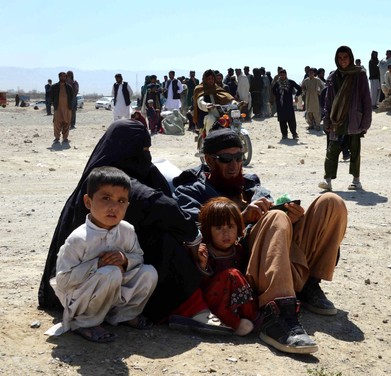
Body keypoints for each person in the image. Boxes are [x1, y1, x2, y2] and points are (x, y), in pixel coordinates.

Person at [38, 119, 230, 335]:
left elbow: (166, 203)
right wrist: (192, 237)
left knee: (152, 262)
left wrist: (188, 237)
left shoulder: (145, 174)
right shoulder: (104, 180)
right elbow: (158, 204)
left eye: (148, 149)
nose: (145, 155)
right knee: (164, 241)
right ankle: (189, 307)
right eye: (141, 149)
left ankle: (123, 314)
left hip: (118, 269)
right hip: (85, 280)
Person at [173, 128, 348, 354]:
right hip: (244, 269)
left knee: (330, 203)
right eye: (225, 159)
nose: (234, 165)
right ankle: (278, 315)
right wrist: (242, 218)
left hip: (279, 261)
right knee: (275, 217)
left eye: (239, 157)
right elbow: (193, 234)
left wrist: (294, 219)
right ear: (208, 160)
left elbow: (277, 231)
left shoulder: (251, 186)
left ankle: (309, 287)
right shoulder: (191, 189)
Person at [46, 166, 158, 342]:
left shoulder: (127, 231)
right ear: (88, 202)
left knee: (149, 272)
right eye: (106, 198)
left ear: (127, 205)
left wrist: (124, 259)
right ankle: (86, 322)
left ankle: (123, 314)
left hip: (113, 289)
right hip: (81, 298)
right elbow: (62, 281)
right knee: (110, 272)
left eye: (121, 201)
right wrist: (96, 265)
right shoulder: (78, 239)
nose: (114, 207)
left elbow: (138, 257)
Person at [195, 197, 259, 336]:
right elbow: (198, 284)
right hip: (214, 301)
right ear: (208, 230)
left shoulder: (239, 249)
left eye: (230, 227)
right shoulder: (206, 252)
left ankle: (248, 316)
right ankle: (236, 322)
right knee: (232, 274)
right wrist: (203, 264)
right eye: (218, 228)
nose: (226, 233)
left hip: (234, 298)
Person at [319, 46, 372, 191]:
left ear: (351, 58)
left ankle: (356, 180)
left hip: (354, 119)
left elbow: (366, 99)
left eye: (345, 57)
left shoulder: (359, 75)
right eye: (340, 58)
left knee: (355, 150)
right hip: (337, 119)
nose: (342, 61)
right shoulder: (333, 77)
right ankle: (327, 180)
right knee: (332, 150)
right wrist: (326, 119)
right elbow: (328, 101)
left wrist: (366, 122)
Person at [193, 69, 237, 136]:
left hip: (220, 113)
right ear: (205, 79)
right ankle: (208, 139)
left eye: (212, 78)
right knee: (211, 119)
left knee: (231, 120)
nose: (211, 80)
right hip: (206, 114)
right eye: (209, 79)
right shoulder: (200, 89)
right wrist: (207, 105)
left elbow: (227, 98)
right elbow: (200, 101)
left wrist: (235, 103)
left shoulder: (217, 88)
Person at [272, 69, 302, 140]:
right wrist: (278, 96)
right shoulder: (277, 83)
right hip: (280, 105)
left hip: (289, 105)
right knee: (282, 121)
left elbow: (299, 88)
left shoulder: (290, 82)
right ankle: (284, 135)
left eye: (283, 74)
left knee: (291, 120)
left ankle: (294, 134)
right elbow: (273, 90)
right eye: (281, 75)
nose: (282, 76)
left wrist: (296, 96)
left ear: (286, 75)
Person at [50, 72, 74, 144]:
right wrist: (54, 103)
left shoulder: (69, 87)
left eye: (64, 77)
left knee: (67, 123)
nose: (63, 78)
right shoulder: (54, 87)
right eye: (61, 76)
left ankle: (65, 138)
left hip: (67, 108)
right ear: (59, 77)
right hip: (58, 108)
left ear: (66, 77)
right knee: (57, 123)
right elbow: (51, 97)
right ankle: (57, 137)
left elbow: (72, 97)